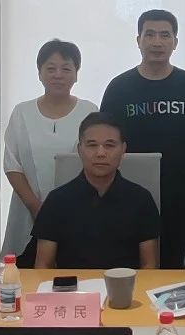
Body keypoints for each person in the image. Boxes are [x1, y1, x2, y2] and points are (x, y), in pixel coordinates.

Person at [101, 9, 185, 269]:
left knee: (172, 264)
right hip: (127, 193)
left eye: (165, 35)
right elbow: (106, 141)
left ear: (175, 42)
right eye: (149, 34)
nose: (157, 42)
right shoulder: (119, 88)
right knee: (127, 263)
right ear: (138, 40)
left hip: (178, 194)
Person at [2, 39, 98, 261]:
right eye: (51, 68)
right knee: (26, 272)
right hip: (27, 211)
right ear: (39, 72)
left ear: (76, 74)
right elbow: (12, 164)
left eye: (66, 69)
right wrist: (36, 207)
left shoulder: (89, 111)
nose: (58, 75)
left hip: (78, 211)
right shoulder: (22, 112)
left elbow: (96, 160)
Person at [32, 112, 161, 269]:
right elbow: (43, 265)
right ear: (79, 150)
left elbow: (149, 265)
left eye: (109, 145)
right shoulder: (56, 201)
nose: (100, 153)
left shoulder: (141, 200)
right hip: (72, 284)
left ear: (123, 149)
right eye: (92, 145)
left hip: (126, 284)